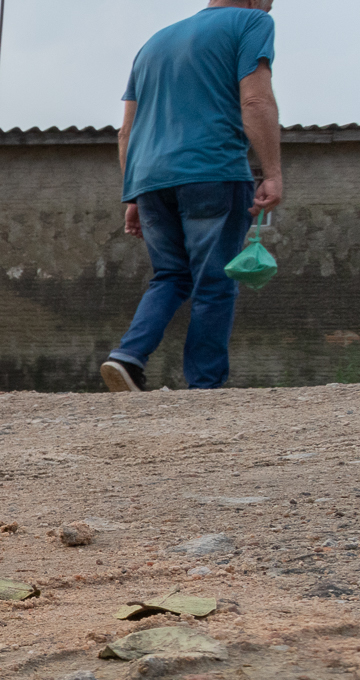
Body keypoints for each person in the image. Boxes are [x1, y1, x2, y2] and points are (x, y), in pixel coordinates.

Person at [102, 0, 282, 393]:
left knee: (170, 275)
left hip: (150, 179)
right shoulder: (252, 22)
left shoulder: (153, 43)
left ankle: (127, 358)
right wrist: (272, 173)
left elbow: (126, 132)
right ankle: (205, 388)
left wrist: (133, 194)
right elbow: (254, 101)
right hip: (212, 171)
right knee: (214, 279)